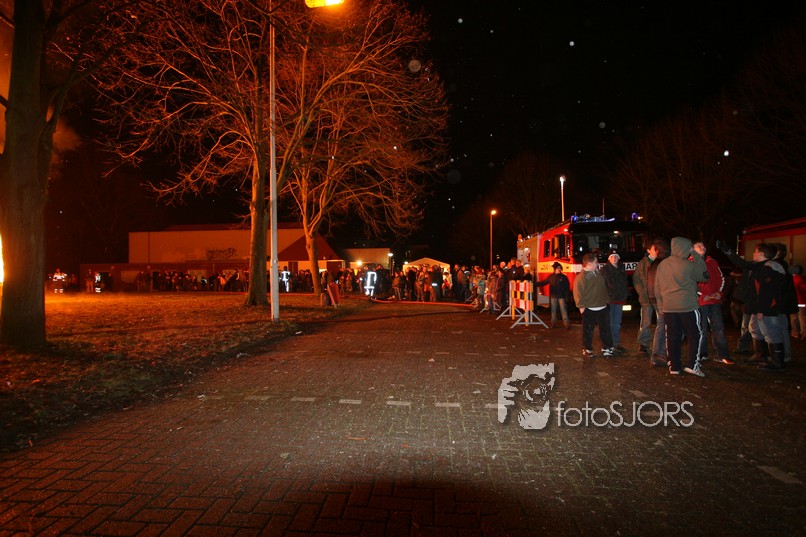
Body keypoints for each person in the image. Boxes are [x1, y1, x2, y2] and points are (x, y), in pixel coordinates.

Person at [654, 236, 709, 376]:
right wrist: (695, 254)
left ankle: (674, 366)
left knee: (672, 336)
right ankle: (692, 365)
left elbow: (657, 286)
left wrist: (660, 306)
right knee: (695, 334)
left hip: (669, 307)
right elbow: (704, 276)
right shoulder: (688, 265)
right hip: (688, 306)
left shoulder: (663, 264)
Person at [693, 242, 734, 365]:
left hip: (714, 301)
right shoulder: (690, 263)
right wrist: (701, 295)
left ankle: (722, 355)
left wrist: (719, 292)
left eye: (703, 245)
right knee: (701, 329)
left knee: (718, 328)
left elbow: (721, 278)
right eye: (698, 246)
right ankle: (701, 354)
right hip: (700, 302)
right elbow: (689, 282)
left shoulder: (712, 262)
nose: (702, 247)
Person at [573, 253, 614, 358]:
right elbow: (578, 292)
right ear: (589, 263)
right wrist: (581, 307)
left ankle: (607, 348)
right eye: (596, 262)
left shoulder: (598, 273)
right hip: (589, 308)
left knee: (605, 330)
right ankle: (587, 349)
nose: (597, 264)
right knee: (588, 331)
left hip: (602, 307)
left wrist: (607, 301)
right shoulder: (581, 277)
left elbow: (603, 288)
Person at [646, 238, 671, 367]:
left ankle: (657, 355)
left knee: (661, 325)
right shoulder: (665, 263)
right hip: (662, 299)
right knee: (663, 326)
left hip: (654, 298)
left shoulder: (655, 264)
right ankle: (659, 354)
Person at [602, 253, 629, 354]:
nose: (614, 258)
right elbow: (605, 284)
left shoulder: (621, 268)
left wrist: (625, 294)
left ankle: (616, 343)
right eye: (612, 256)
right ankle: (610, 344)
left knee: (617, 323)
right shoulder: (605, 270)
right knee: (610, 323)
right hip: (610, 300)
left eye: (616, 256)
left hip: (619, 299)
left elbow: (624, 282)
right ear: (609, 258)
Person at [534, 262, 570, 328]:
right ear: (555, 269)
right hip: (554, 296)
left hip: (561, 296)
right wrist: (534, 284)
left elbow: (567, 287)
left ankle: (566, 324)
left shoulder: (563, 277)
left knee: (563, 310)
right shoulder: (552, 277)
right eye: (558, 268)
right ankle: (554, 323)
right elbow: (543, 282)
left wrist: (567, 296)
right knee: (554, 311)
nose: (559, 269)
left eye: (560, 268)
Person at [791, 265, 805, 341]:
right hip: (802, 301)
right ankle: (804, 333)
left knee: (794, 318)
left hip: (794, 302)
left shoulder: (791, 280)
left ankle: (795, 332)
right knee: (802, 318)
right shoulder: (802, 279)